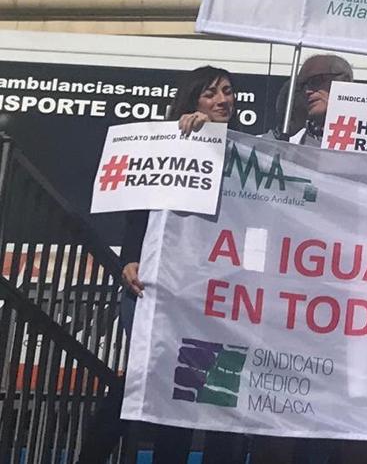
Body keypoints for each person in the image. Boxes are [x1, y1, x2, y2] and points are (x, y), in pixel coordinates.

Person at [79, 66, 246, 464]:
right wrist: (130, 260)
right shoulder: (171, 140)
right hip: (157, 287)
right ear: (191, 101)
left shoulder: (245, 149)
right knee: (144, 376)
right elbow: (139, 212)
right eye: (210, 94)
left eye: (227, 91)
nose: (223, 100)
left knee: (206, 390)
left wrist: (214, 140)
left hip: (214, 293)